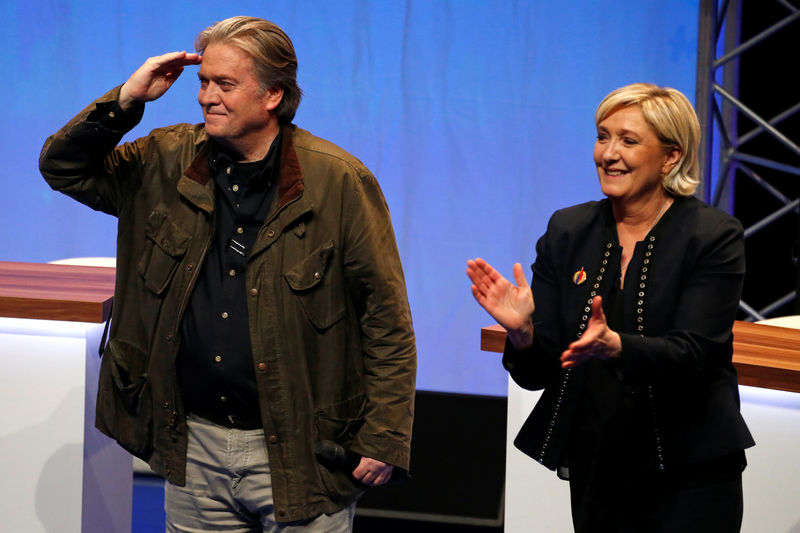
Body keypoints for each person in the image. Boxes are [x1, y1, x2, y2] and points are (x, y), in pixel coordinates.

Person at [39, 16, 416, 532]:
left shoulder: (339, 182)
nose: (205, 97)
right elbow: (64, 168)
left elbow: (386, 319)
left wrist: (383, 435)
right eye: (202, 81)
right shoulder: (164, 160)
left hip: (302, 454)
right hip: (194, 446)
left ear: (272, 95)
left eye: (225, 84)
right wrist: (128, 99)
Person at [467, 83, 754, 532]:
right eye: (603, 136)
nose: (609, 153)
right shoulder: (569, 230)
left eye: (629, 140)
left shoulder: (712, 235)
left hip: (691, 469)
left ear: (671, 157)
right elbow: (538, 371)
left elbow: (694, 354)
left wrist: (618, 345)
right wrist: (522, 333)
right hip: (598, 463)